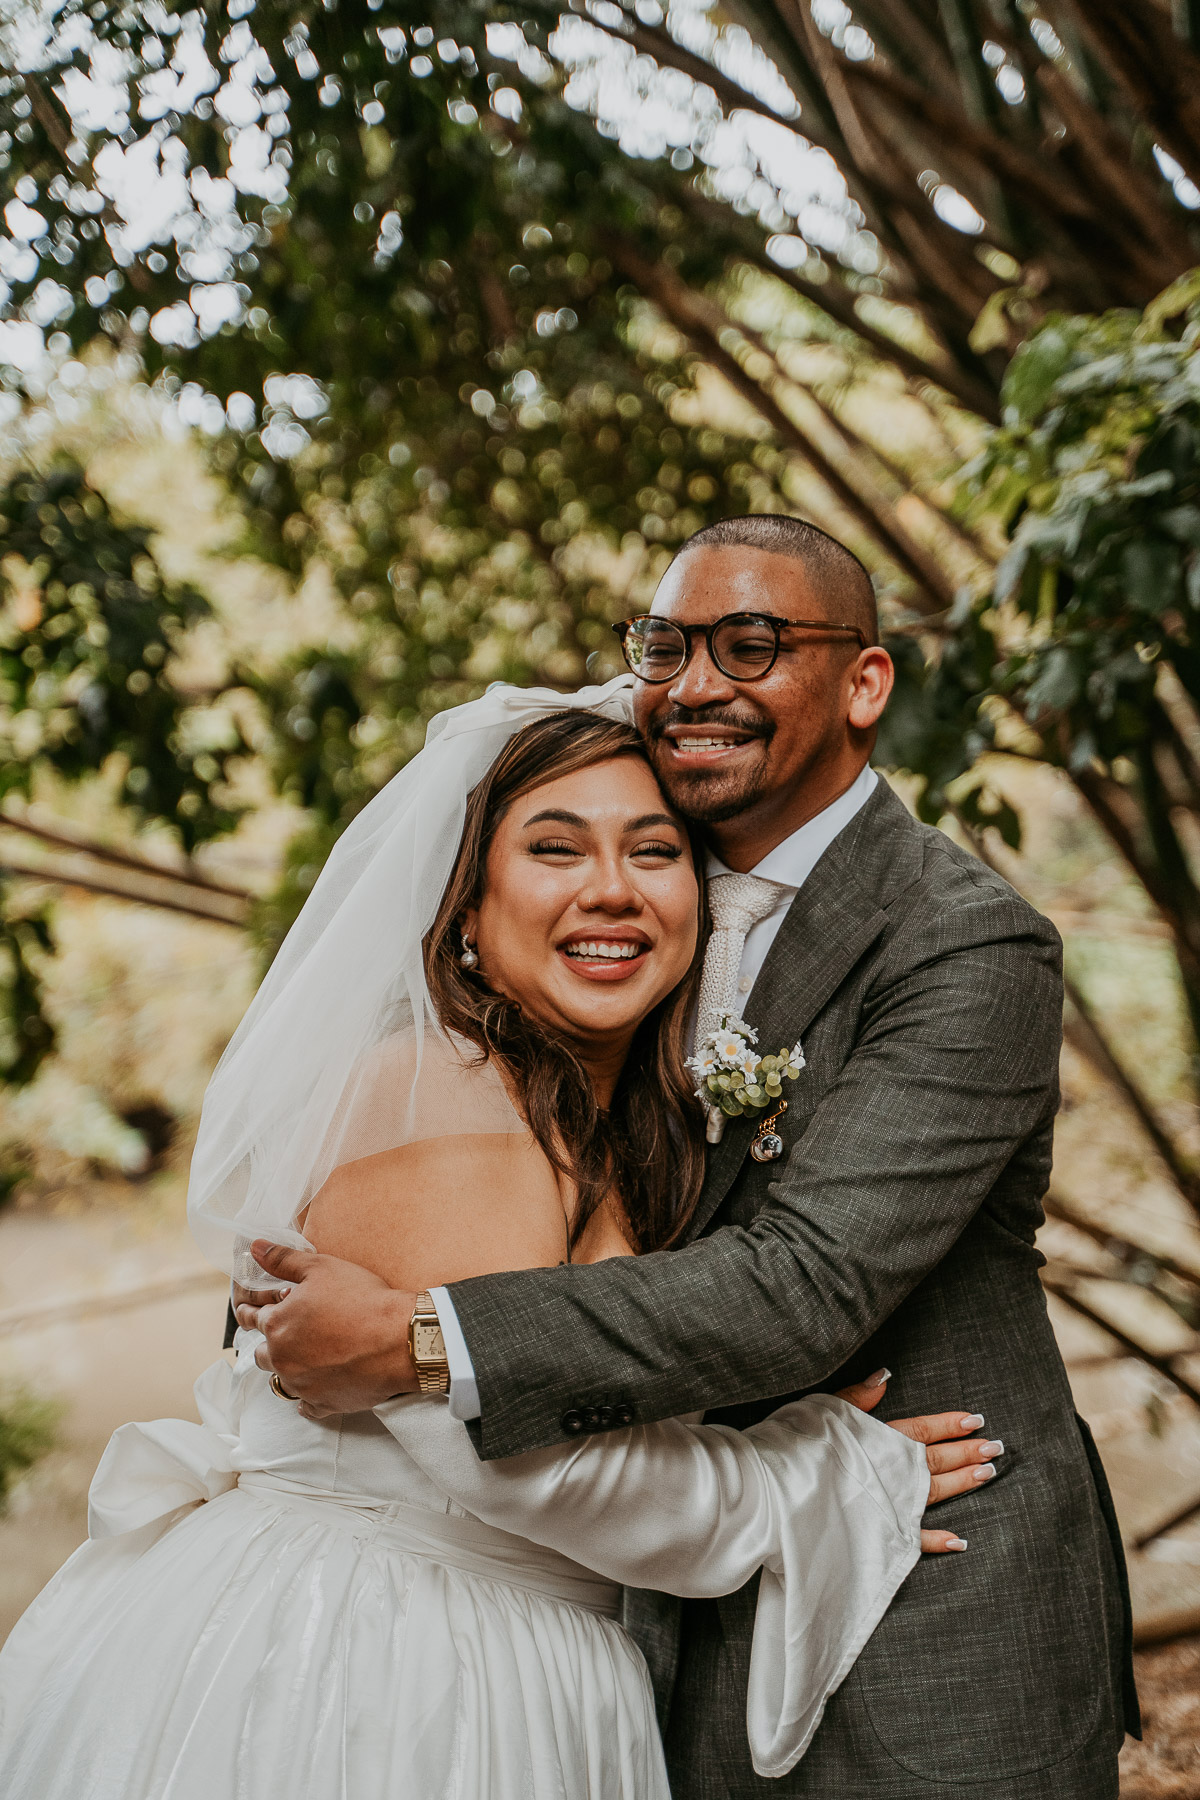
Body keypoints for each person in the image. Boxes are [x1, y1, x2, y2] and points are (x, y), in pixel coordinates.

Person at [239, 515, 1139, 1799]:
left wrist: (420, 1339)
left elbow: (804, 1284)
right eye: (668, 645)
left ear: (864, 683)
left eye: (754, 644)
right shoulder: (638, 917)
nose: (699, 683)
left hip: (931, 1602)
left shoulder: (964, 945)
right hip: (651, 1618)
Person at [0, 698, 992, 1800]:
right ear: (468, 907)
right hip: (379, 1666)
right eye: (554, 846)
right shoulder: (447, 1089)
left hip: (516, 1645)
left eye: (653, 851)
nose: (609, 888)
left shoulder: (603, 1128)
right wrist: (802, 1482)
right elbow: (531, 1469)